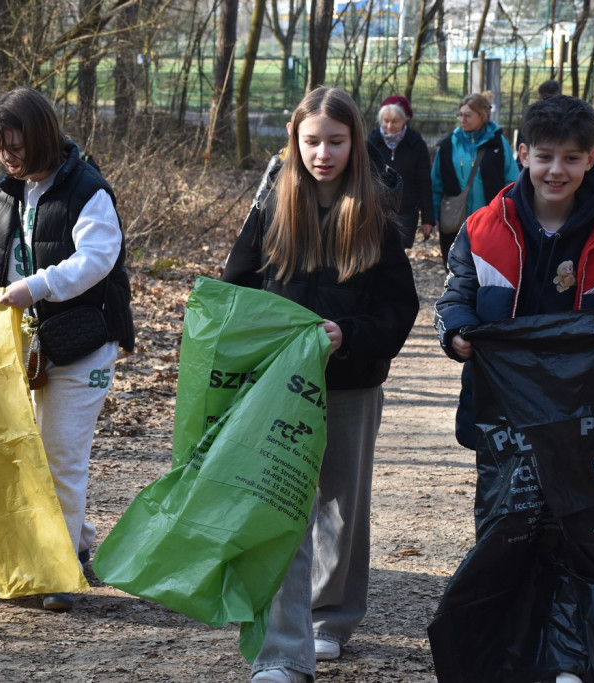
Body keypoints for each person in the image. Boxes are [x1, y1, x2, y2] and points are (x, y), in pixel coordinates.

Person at [433, 94, 594, 682]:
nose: (556, 170)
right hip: (503, 415)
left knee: (577, 533)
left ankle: (568, 659)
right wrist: (456, 332)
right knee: (509, 529)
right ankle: (511, 653)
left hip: (586, 420)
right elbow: (455, 295)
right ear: (522, 153)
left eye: (571, 158)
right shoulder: (484, 230)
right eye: (545, 157)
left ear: (593, 160)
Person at [222, 86, 418, 683]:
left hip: (351, 384)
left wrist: (349, 335)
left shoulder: (376, 215)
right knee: (283, 507)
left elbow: (398, 307)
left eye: (336, 141)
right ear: (294, 140)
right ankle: (283, 652)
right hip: (280, 386)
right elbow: (237, 287)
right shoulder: (272, 208)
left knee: (340, 505)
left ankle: (330, 618)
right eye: (311, 141)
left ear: (355, 142)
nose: (323, 154)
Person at [0, 86, 134, 612]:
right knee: (30, 450)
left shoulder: (88, 190)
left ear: (42, 137)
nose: (8, 157)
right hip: (20, 347)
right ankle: (76, 543)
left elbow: (97, 259)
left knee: (60, 454)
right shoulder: (0, 196)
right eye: (0, 147)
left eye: (16, 146)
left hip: (82, 345)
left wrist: (35, 286)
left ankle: (58, 569)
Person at [431, 92, 519, 265]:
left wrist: (509, 212)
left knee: (486, 269)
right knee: (455, 269)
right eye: (460, 114)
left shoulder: (498, 143)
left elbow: (512, 180)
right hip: (455, 222)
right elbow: (436, 183)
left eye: (468, 115)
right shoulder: (448, 144)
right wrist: (432, 216)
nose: (462, 119)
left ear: (482, 116)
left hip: (491, 221)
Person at [367, 94, 435, 247]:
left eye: (395, 122)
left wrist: (427, 218)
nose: (389, 126)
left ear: (405, 120)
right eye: (386, 121)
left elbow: (424, 182)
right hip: (376, 210)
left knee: (397, 254)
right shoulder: (372, 142)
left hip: (406, 211)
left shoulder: (416, 144)